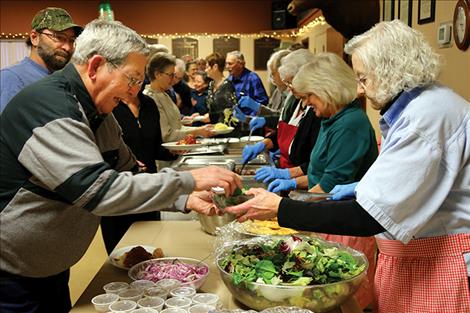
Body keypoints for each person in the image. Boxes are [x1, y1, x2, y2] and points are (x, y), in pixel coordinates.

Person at [226, 20, 470, 313]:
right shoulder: (421, 107)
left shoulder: (426, 118)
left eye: (363, 78)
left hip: (441, 263)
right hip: (414, 256)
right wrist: (361, 187)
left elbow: (368, 217)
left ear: (391, 71)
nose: (360, 90)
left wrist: (281, 209)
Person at [0, 20, 241, 312]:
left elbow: (129, 171)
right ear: (96, 66)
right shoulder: (50, 106)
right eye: (132, 79)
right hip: (12, 274)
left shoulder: (99, 112)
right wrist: (189, 181)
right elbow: (98, 191)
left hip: (48, 267)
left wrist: (183, 198)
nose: (132, 92)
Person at [256, 52, 379, 309]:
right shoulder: (330, 118)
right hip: (326, 216)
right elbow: (317, 170)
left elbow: (332, 183)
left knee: (342, 299)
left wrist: (290, 211)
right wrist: (292, 186)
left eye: (309, 96)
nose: (307, 103)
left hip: (344, 226)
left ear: (328, 88)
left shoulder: (350, 123)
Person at [100, 86, 179, 254]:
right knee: (121, 256)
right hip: (118, 192)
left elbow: (155, 147)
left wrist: (175, 152)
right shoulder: (108, 106)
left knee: (150, 250)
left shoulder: (149, 104)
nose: (134, 83)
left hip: (149, 188)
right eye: (130, 77)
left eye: (139, 77)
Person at [242, 49, 321, 169]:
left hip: (299, 176)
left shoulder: (317, 110)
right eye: (287, 83)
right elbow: (282, 134)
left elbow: (314, 164)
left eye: (291, 82)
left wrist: (288, 176)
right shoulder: (294, 101)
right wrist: (263, 144)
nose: (290, 89)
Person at [0, 7, 82, 112]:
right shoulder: (12, 78)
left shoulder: (66, 80)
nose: (67, 47)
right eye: (58, 37)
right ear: (34, 38)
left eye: (71, 40)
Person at [143, 52, 214, 143]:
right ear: (157, 74)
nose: (173, 79)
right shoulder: (151, 98)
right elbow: (167, 135)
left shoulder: (164, 94)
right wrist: (198, 131)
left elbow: (176, 127)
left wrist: (199, 129)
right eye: (170, 75)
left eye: (174, 75)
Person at [242, 49, 291, 132]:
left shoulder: (295, 96)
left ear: (283, 72)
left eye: (273, 74)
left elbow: (284, 121)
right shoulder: (278, 92)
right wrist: (246, 119)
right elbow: (270, 119)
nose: (272, 79)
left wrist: (257, 107)